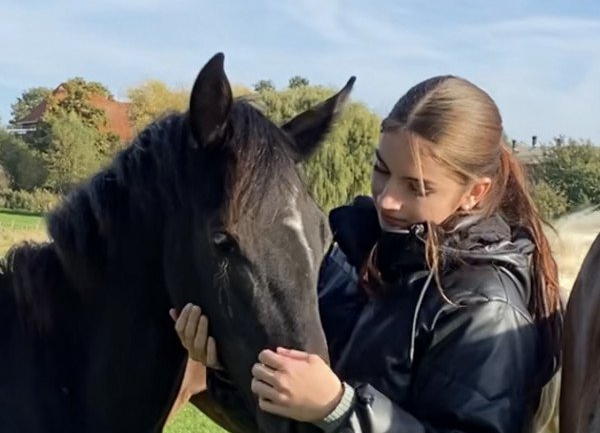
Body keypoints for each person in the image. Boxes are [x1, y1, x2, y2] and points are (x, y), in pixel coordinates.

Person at [170, 75, 562, 432]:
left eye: (417, 187)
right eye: (381, 168)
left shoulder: (484, 306)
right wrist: (226, 370)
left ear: (474, 193)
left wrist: (337, 408)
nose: (388, 199)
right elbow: (291, 427)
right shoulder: (352, 258)